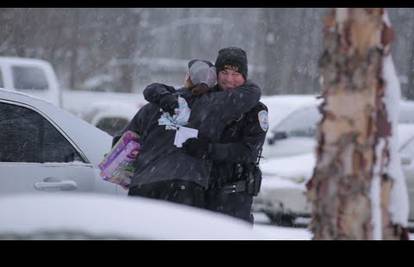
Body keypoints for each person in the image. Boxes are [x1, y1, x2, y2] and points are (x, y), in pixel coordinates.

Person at [114, 55, 262, 209]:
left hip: (142, 185)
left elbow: (121, 142)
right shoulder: (214, 106)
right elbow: (252, 93)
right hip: (186, 187)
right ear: (213, 82)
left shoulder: (152, 107)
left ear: (188, 77)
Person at [145, 47, 268, 223]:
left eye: (236, 74)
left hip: (233, 195)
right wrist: (165, 98)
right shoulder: (203, 97)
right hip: (195, 191)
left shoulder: (255, 110)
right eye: (224, 72)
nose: (229, 79)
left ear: (245, 76)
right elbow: (153, 89)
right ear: (216, 74)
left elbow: (248, 151)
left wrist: (208, 150)